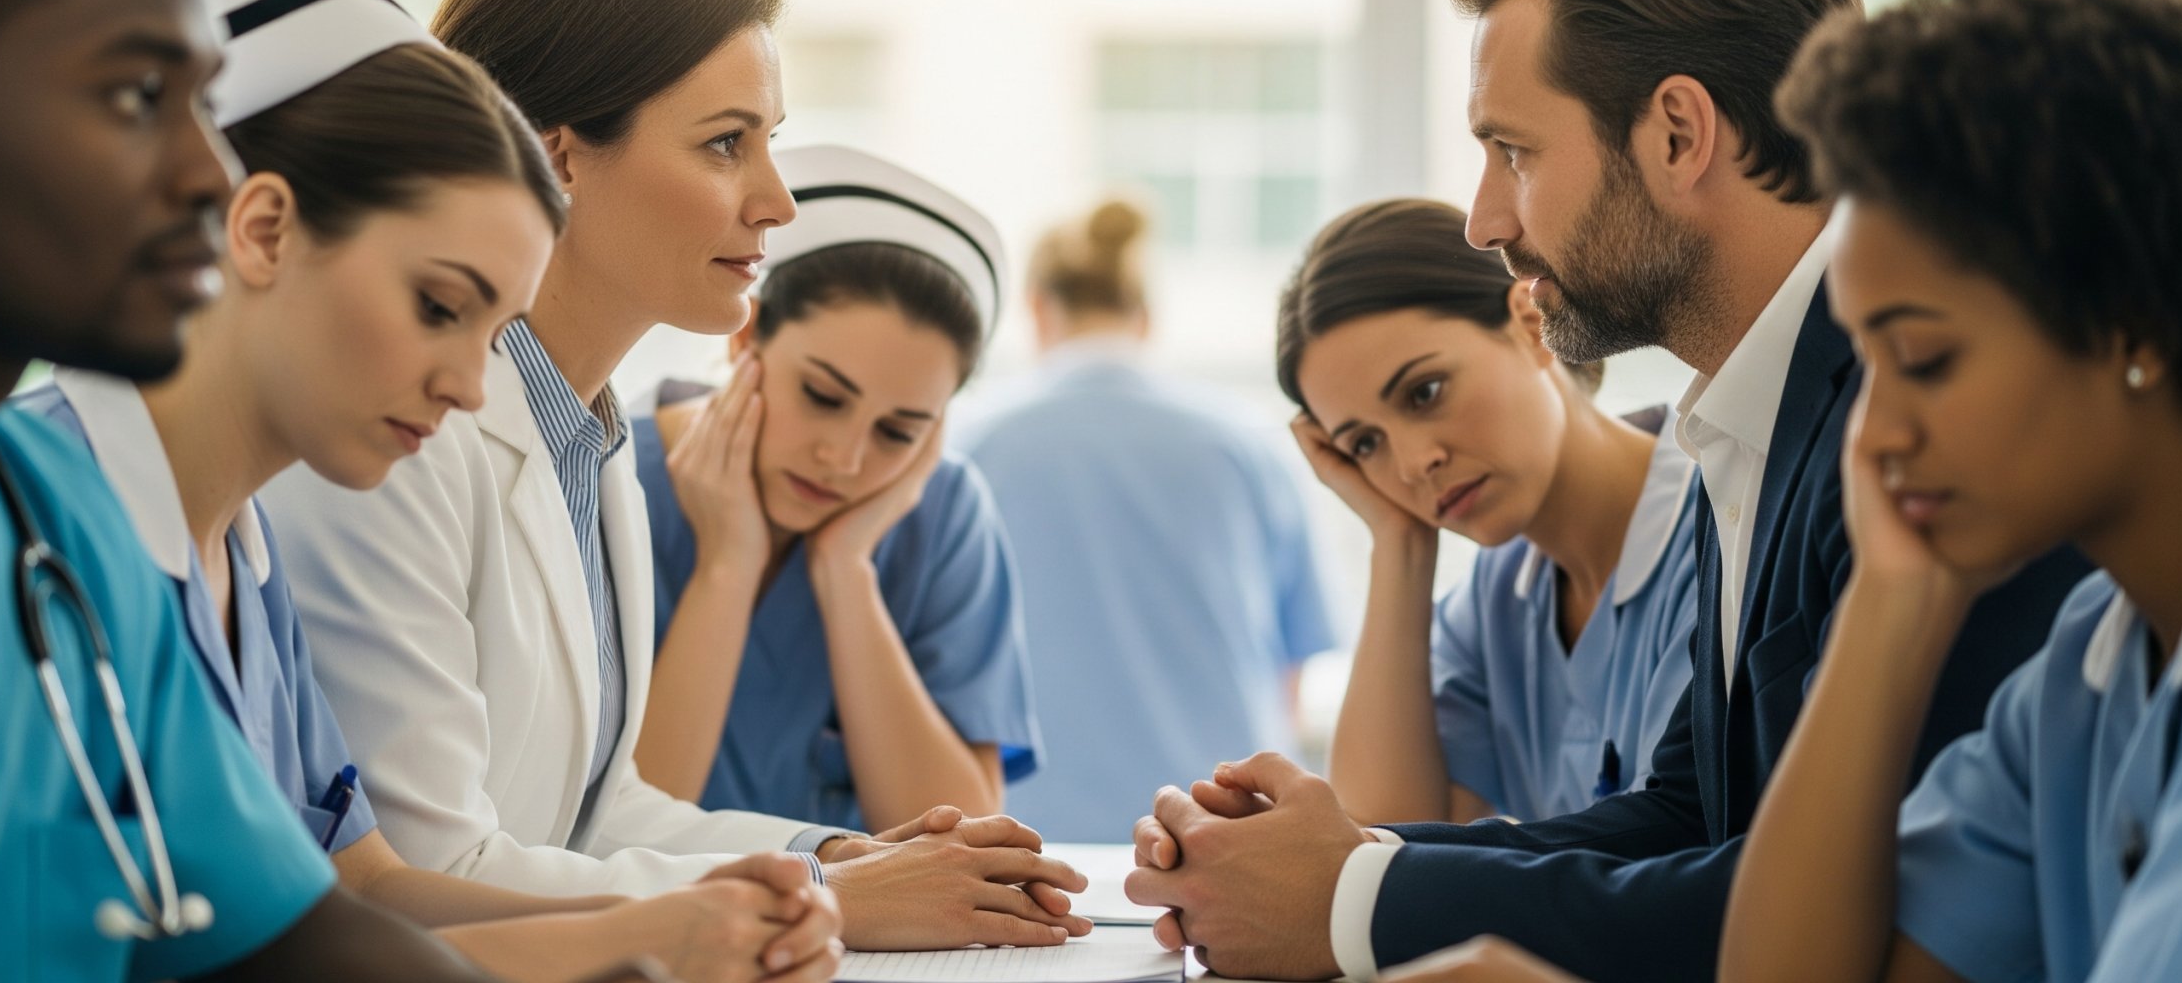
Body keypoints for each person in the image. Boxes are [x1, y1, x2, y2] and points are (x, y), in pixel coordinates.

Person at [1123, 0, 2089, 983]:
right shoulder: (1753, 411)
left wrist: (1356, 903)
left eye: (1515, 153)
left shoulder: (1916, 409)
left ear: (1679, 134)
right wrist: (1344, 860)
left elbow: (1885, 896)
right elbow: (1693, 815)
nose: (1485, 220)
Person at [257, 0, 1090, 950]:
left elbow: (598, 813)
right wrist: (827, 907)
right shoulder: (393, 441)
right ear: (556, 158)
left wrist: (826, 856)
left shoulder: (587, 442)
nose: (779, 202)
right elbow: (425, 874)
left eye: (769, 144)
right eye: (726, 145)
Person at [18, 0, 842, 983]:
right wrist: (656, 933)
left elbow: (360, 889)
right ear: (261, 229)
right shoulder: (25, 513)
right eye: (439, 307)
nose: (467, 382)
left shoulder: (245, 549)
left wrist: (666, 930)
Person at [0, 0, 497, 979]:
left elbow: (296, 936)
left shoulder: (57, 524)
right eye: (141, 98)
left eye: (205, 104)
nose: (209, 171)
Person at [1720, 0, 2182, 981]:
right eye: (1863, 366)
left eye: (1920, 361)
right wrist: (1890, 606)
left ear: (2136, 321)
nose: (1870, 441)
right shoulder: (2087, 669)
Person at [635, 144, 1041, 834]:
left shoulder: (941, 515)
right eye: (823, 396)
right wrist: (727, 566)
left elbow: (963, 837)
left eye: (899, 431)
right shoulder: (615, 480)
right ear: (747, 337)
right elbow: (616, 826)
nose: (843, 458)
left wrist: (846, 571)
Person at [1281, 199, 1698, 826]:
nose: (1414, 463)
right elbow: (1374, 845)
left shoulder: (1722, 531)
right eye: (1365, 443)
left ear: (1530, 324)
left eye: (1425, 392)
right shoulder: (1495, 603)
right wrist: (1399, 543)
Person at [954, 198, 1334, 843]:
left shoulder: (968, 445)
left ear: (1039, 310)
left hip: (1024, 838)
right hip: (1215, 832)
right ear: (1146, 316)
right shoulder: (1245, 447)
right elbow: (1291, 669)